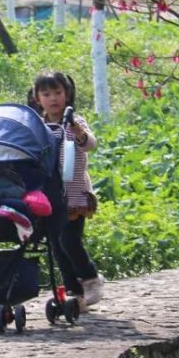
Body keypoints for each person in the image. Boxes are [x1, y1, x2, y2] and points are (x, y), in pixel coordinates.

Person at [28, 70, 105, 310]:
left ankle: (91, 279)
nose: (53, 99)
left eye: (58, 93)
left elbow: (90, 144)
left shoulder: (74, 121)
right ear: (37, 98)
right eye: (46, 94)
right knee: (56, 246)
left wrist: (78, 132)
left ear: (67, 94)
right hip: (49, 197)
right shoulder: (38, 125)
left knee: (70, 240)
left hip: (74, 194)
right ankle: (74, 292)